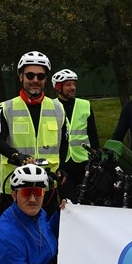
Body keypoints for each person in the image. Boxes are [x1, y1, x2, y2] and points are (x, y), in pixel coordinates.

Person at [0, 52, 65, 210]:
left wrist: (63, 169)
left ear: (46, 79)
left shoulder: (58, 108)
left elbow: (64, 143)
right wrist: (16, 156)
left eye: (40, 76)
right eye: (30, 75)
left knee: (46, 226)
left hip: (46, 187)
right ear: (21, 76)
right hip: (15, 188)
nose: (35, 80)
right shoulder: (4, 108)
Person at [53, 69, 98, 199]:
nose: (72, 88)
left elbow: (93, 133)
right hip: (63, 164)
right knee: (67, 201)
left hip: (84, 161)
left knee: (86, 200)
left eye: (74, 84)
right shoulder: (51, 106)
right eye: (68, 85)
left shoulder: (85, 105)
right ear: (58, 87)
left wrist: (96, 155)